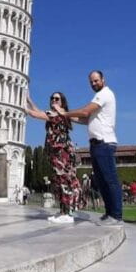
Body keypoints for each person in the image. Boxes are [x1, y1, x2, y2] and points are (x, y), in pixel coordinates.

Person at [53, 71, 121, 226]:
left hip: (104, 143)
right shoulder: (98, 97)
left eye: (96, 81)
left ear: (103, 79)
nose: (93, 84)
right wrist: (65, 115)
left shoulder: (104, 94)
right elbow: (85, 119)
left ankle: (116, 215)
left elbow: (85, 112)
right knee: (102, 181)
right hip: (96, 144)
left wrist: (65, 112)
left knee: (110, 180)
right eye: (91, 82)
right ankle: (109, 213)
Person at [26, 91, 85, 223]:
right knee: (59, 181)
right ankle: (62, 211)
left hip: (63, 152)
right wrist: (29, 100)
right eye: (52, 98)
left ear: (62, 102)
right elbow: (38, 112)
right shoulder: (51, 114)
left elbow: (34, 114)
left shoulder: (64, 114)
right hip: (54, 153)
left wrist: (23, 107)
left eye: (57, 99)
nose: (54, 100)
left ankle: (67, 213)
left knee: (64, 181)